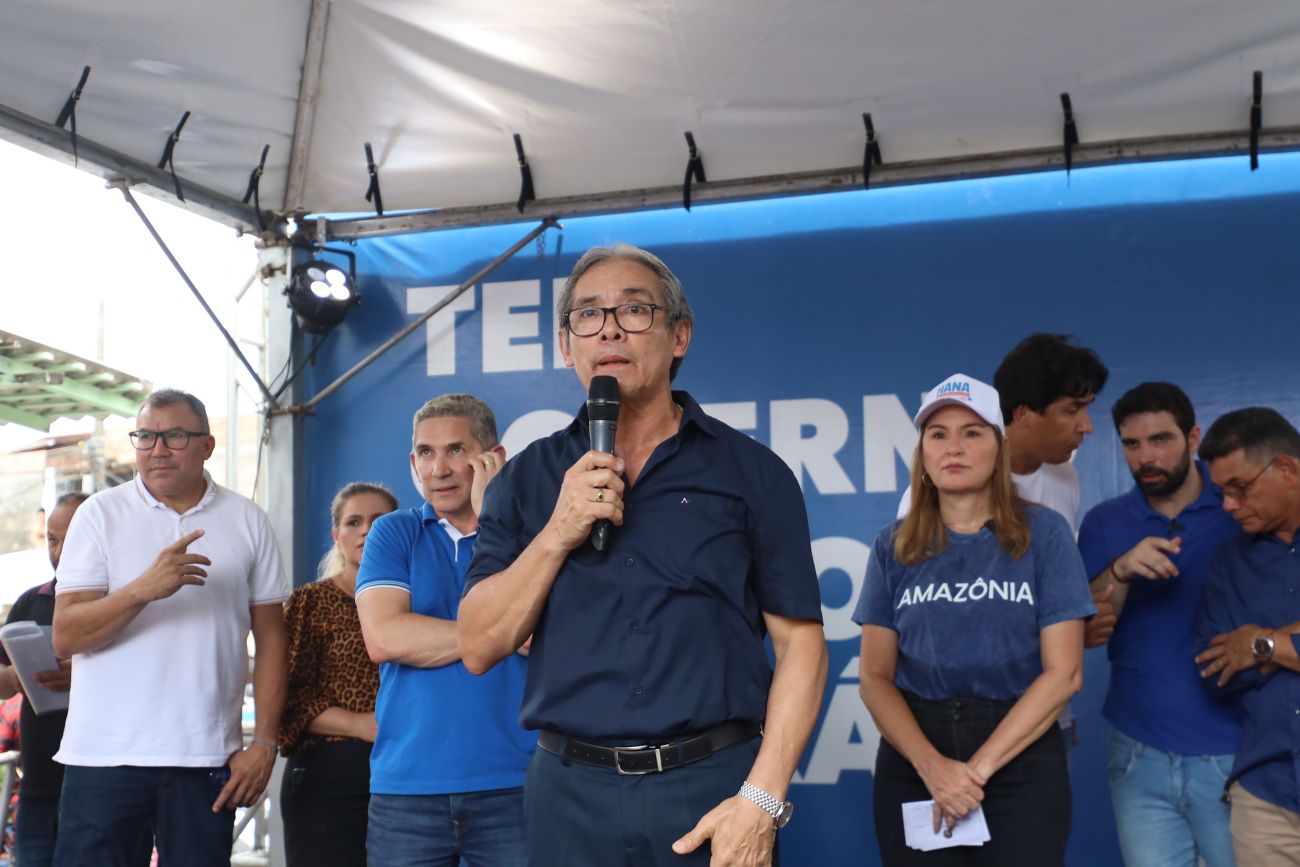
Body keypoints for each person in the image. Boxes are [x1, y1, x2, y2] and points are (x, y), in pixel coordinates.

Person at [459, 243, 828, 867]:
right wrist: (558, 532)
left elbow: (801, 646)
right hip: (568, 794)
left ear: (679, 336)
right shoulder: (525, 479)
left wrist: (761, 799)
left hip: (714, 784)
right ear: (565, 345)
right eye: (588, 314)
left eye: (634, 310)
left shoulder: (752, 473)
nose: (609, 329)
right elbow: (478, 644)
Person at [857, 373, 1094, 866]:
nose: (954, 448)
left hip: (1019, 752)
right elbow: (875, 677)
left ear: (999, 447)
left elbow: (1065, 673)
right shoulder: (893, 545)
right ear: (922, 452)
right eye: (938, 434)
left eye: (972, 432)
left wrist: (975, 772)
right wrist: (934, 768)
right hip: (916, 758)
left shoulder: (1045, 535)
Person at [50, 389, 289, 867]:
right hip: (104, 756)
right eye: (145, 436)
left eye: (175, 436)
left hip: (205, 756)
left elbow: (273, 642)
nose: (157, 449)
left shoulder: (246, 518)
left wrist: (265, 743)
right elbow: (66, 635)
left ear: (207, 445)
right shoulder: (99, 514)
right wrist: (142, 589)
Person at [355, 394, 534, 867]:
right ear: (412, 462)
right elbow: (385, 638)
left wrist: (495, 519)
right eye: (426, 453)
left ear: (493, 457)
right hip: (406, 790)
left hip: (518, 782)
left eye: (456, 450)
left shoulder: (533, 534)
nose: (439, 469)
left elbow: (548, 637)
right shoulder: (392, 531)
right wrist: (500, 631)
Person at [1077, 383, 1241, 867]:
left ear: (1193, 438)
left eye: (1160, 440)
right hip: (1137, 751)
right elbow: (1084, 628)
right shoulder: (1105, 522)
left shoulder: (1238, 507)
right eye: (1132, 444)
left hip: (1234, 747)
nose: (1146, 456)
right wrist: (1120, 569)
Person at [1193, 408, 1300, 866]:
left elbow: (1243, 654)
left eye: (1239, 487)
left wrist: (1262, 644)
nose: (1229, 505)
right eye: (1222, 492)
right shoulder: (1229, 564)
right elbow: (1217, 670)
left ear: (1287, 469)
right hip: (1266, 799)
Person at [278, 482, 397, 867]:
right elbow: (286, 697)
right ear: (336, 535)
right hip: (328, 773)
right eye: (354, 522)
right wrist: (359, 724)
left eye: (379, 521)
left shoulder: (419, 601)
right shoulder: (311, 601)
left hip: (405, 770)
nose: (366, 530)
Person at [0, 492, 110, 867]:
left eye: (71, 540)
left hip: (104, 787)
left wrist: (87, 673)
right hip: (38, 785)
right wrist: (15, 676)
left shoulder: (121, 605)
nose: (59, 552)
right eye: (51, 539)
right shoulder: (30, 602)